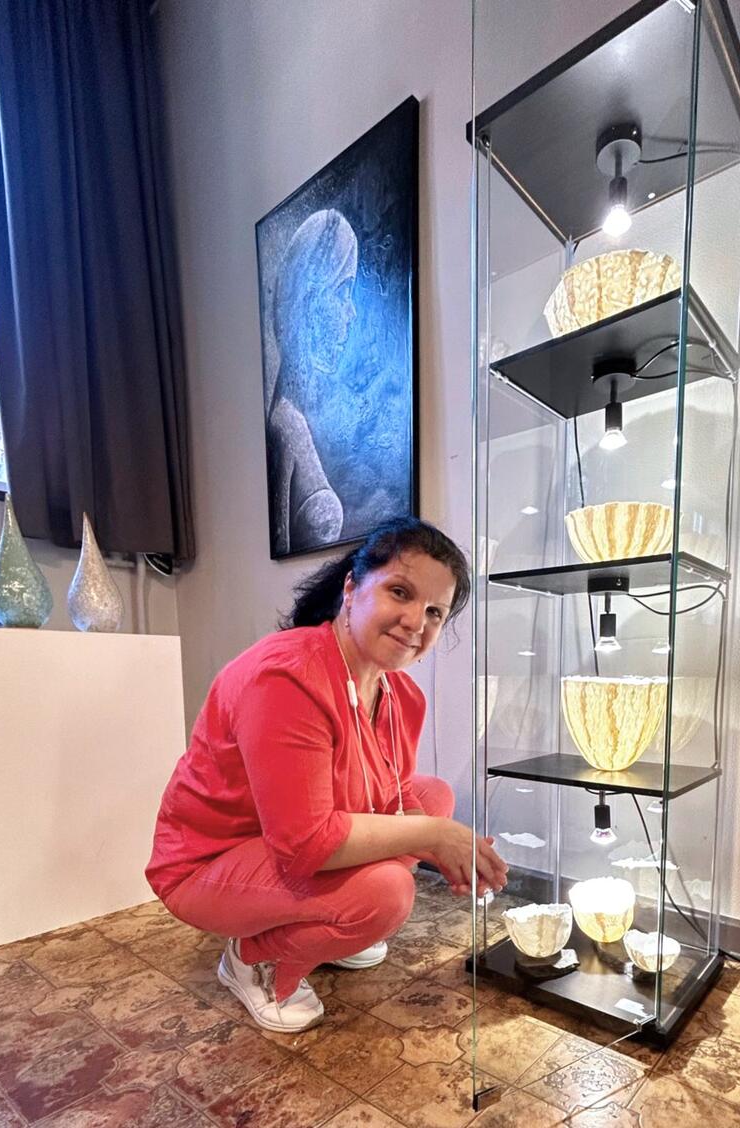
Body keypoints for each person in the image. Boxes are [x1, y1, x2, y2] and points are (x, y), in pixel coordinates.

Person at [145, 517, 508, 1034]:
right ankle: (255, 958)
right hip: (210, 863)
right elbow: (305, 842)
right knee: (386, 894)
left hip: (286, 845)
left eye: (435, 611)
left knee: (433, 796)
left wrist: (443, 843)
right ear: (351, 588)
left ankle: (326, 920)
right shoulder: (286, 678)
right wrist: (434, 838)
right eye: (400, 592)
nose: (416, 622)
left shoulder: (401, 695)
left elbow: (396, 794)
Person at [266, 208, 358, 555]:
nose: (351, 312)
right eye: (342, 292)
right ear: (311, 299)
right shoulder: (285, 426)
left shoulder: (310, 422)